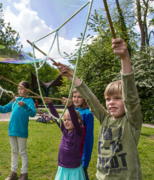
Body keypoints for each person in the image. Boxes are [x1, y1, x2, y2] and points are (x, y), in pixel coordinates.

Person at [56, 38, 143, 179]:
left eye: (117, 98)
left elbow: (131, 98)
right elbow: (90, 98)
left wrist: (125, 59)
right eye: (108, 99)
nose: (111, 103)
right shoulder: (105, 118)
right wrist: (72, 75)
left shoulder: (132, 122)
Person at [0, 81, 36, 180]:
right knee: (14, 151)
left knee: (22, 151)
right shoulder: (14, 100)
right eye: (18, 88)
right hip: (12, 129)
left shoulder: (29, 100)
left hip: (22, 129)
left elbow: (33, 113)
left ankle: (24, 174)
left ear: (27, 90)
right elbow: (3, 109)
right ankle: (13, 172)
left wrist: (25, 106)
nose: (19, 90)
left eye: (22, 88)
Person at [45, 97, 85, 180]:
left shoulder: (78, 132)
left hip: (74, 168)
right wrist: (50, 104)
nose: (66, 121)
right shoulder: (64, 130)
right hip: (63, 167)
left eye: (69, 120)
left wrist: (70, 106)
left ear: (78, 121)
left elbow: (74, 120)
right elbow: (56, 118)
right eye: (65, 119)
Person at [71, 88, 94, 180]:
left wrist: (85, 157)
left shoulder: (87, 114)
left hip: (81, 153)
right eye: (74, 96)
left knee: (82, 174)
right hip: (71, 150)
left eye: (79, 97)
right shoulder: (71, 111)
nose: (76, 99)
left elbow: (88, 137)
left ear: (84, 98)